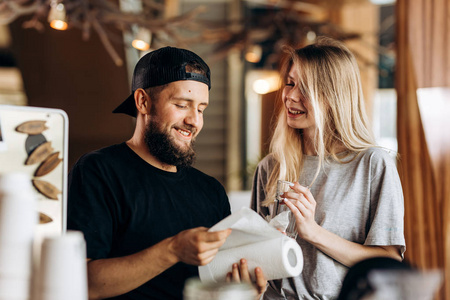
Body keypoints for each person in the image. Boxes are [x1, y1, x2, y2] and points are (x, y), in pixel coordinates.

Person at [67, 46, 266, 300]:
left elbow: (217, 282)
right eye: (182, 105)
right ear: (143, 102)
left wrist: (246, 290)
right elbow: (82, 282)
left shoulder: (210, 191)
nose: (194, 121)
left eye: (201, 109)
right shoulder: (98, 171)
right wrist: (173, 249)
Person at [251, 37, 405, 299]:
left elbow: (388, 263)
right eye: (290, 83)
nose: (290, 96)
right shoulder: (271, 166)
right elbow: (255, 260)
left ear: (335, 96)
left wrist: (313, 232)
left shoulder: (372, 165)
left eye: (306, 88)